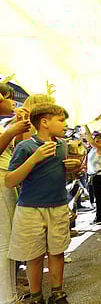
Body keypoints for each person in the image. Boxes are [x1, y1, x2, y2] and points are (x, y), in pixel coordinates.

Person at [6, 103, 81, 304]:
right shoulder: (26, 147)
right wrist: (35, 159)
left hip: (57, 206)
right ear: (45, 123)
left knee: (57, 251)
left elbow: (60, 175)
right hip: (30, 209)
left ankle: (58, 293)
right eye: (61, 120)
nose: (65, 125)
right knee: (34, 255)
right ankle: (36, 296)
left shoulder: (62, 145)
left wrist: (76, 167)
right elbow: (10, 180)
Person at [0, 83, 31, 304]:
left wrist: (17, 128)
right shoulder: (5, 128)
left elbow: (16, 149)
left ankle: (9, 292)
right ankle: (7, 297)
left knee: (8, 238)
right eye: (7, 97)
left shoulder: (5, 126)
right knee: (3, 241)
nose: (12, 101)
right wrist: (12, 130)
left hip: (6, 182)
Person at [85, 125, 101, 225]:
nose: (97, 141)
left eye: (100, 139)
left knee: (98, 197)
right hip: (94, 175)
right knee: (99, 196)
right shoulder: (93, 149)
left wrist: (85, 125)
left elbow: (90, 140)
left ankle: (100, 217)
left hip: (99, 175)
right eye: (96, 139)